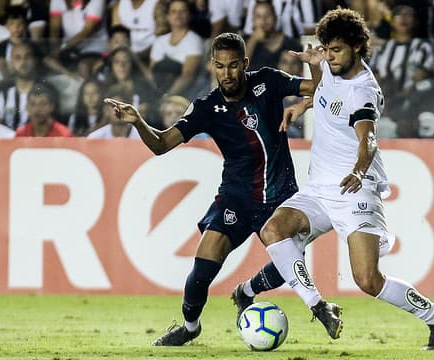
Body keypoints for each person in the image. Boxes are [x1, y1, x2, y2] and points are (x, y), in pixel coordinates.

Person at [247, 8, 434, 350]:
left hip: (355, 190)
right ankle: (319, 305)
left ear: (358, 47)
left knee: (367, 279)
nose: (329, 57)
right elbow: (325, 89)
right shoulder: (331, 69)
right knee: (274, 229)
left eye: (337, 51)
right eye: (326, 49)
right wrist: (304, 103)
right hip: (319, 190)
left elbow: (368, 138)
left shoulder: (363, 90)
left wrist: (359, 170)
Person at [103, 32, 317, 346]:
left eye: (233, 66)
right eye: (220, 66)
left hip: (281, 196)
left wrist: (314, 77)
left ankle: (247, 291)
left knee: (290, 267)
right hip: (237, 197)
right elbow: (162, 144)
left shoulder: (268, 82)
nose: (227, 74)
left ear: (244, 63)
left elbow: (321, 88)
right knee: (203, 266)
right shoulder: (206, 107)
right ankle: (190, 327)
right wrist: (138, 122)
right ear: (211, 66)